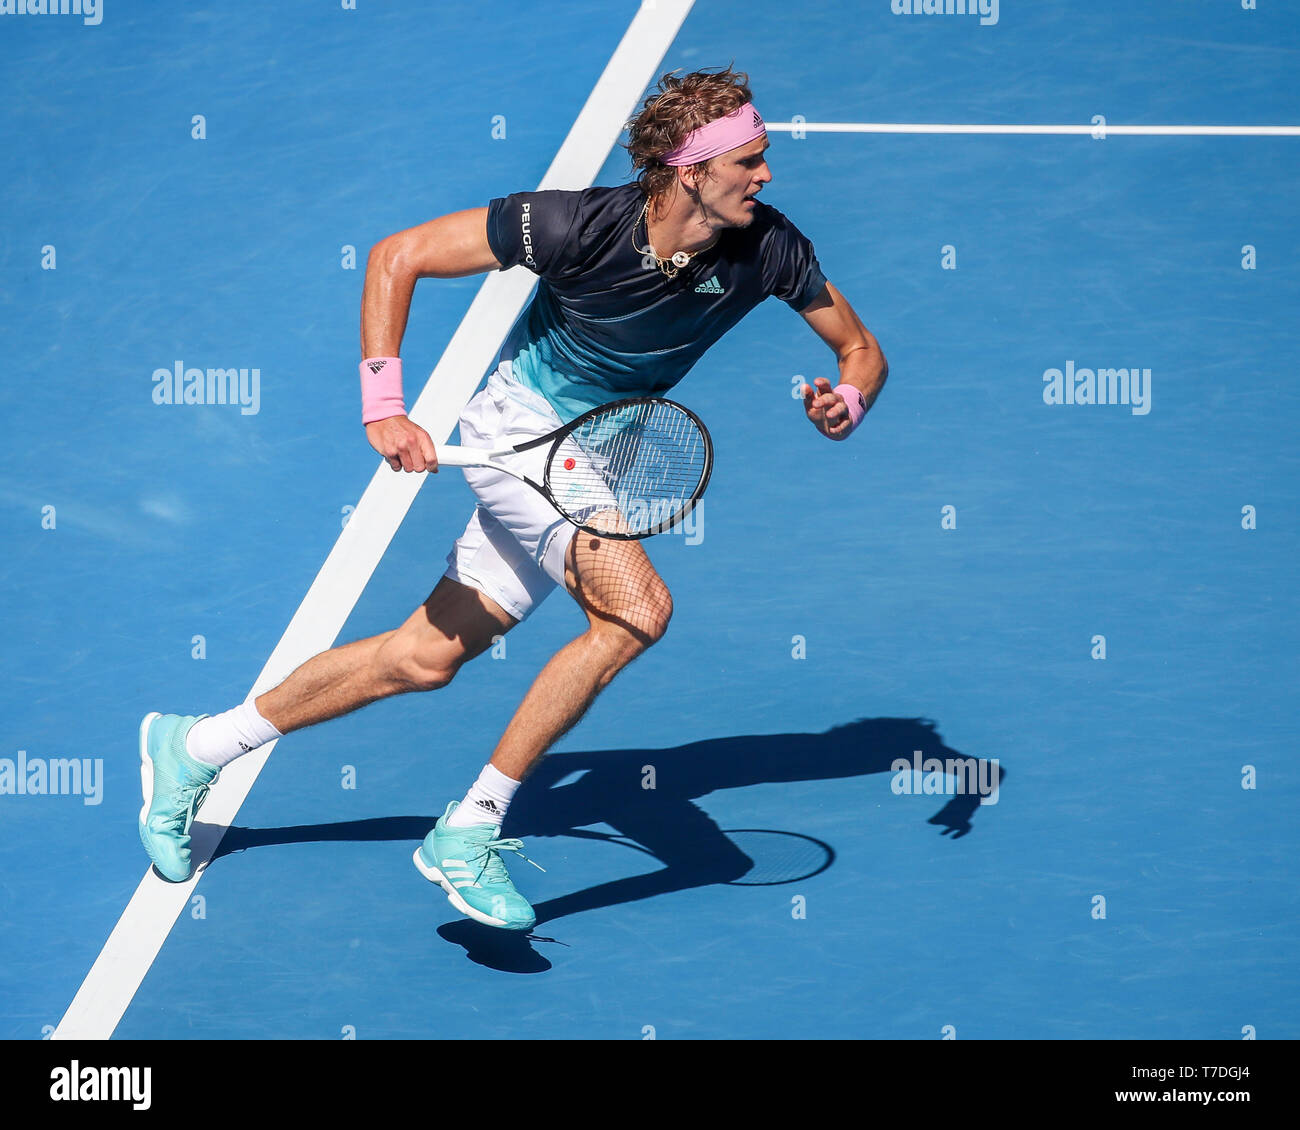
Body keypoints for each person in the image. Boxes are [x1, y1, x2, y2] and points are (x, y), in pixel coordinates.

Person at [138, 66, 888, 932]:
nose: (766, 177)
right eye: (749, 161)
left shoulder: (771, 246)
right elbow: (398, 256)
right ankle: (469, 828)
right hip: (522, 431)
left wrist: (849, 399)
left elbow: (860, 348)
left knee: (423, 659)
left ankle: (196, 747)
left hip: (599, 456)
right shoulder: (574, 225)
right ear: (691, 171)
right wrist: (385, 406)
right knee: (638, 611)